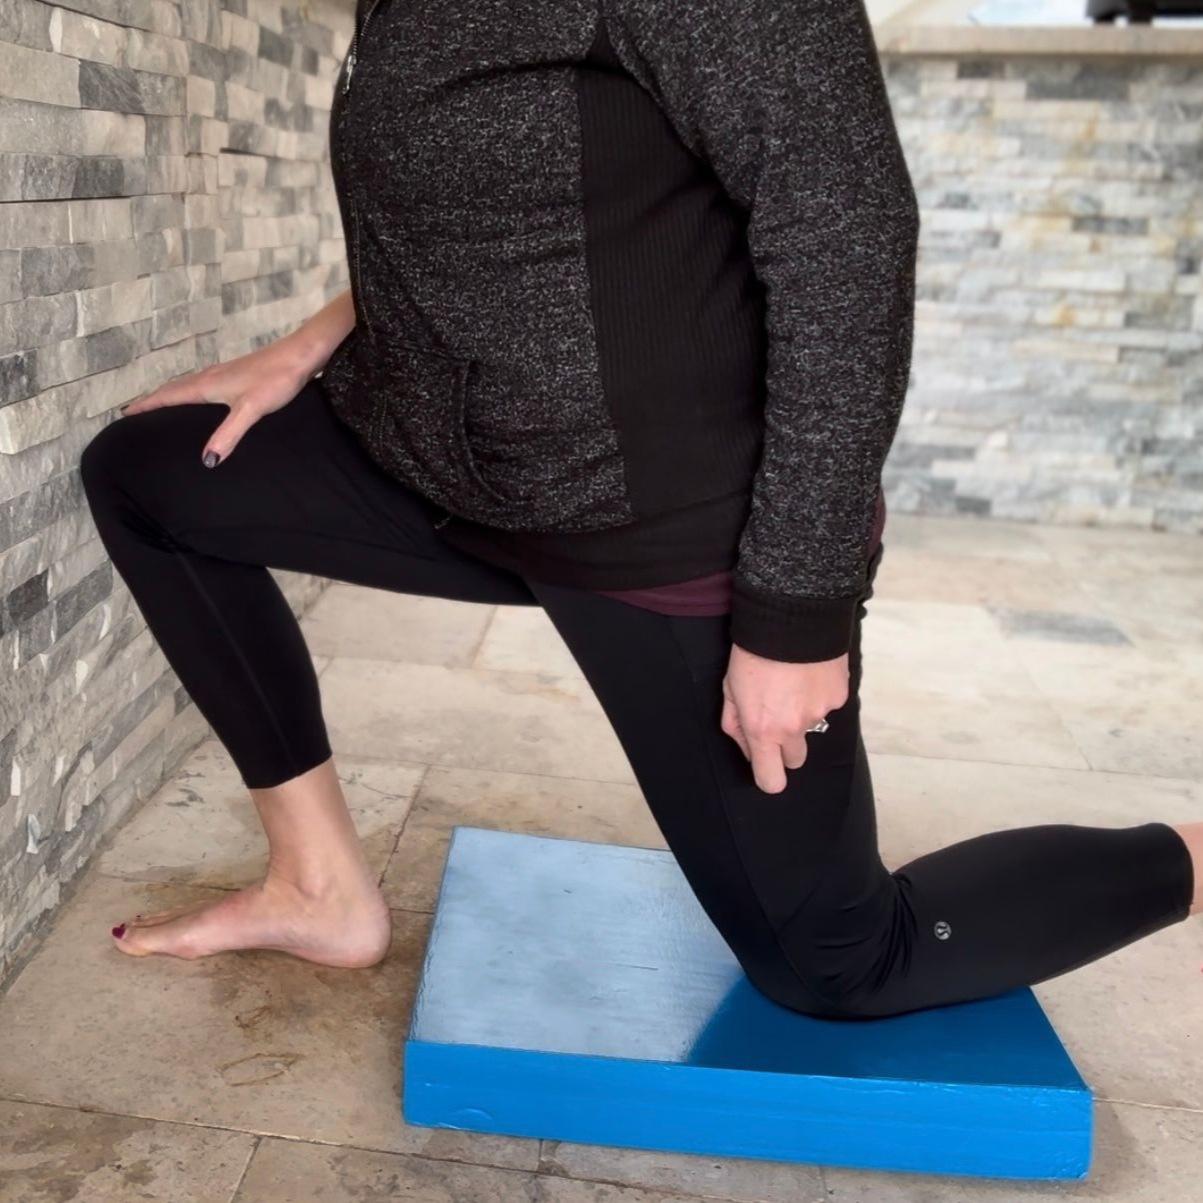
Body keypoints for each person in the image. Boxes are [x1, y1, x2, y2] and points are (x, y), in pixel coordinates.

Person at [78, 0, 1198, 1019]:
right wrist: (306, 344)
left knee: (838, 961)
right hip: (445, 463)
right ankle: (317, 888)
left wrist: (795, 613)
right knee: (149, 479)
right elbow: (474, 200)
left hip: (666, 519)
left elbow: (846, 241)